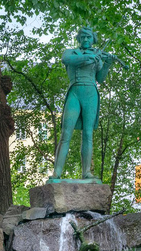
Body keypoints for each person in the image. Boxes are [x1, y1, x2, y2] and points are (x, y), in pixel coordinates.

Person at [51, 26, 127, 180]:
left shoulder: (96, 56)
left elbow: (100, 79)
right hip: (74, 91)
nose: (86, 40)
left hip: (91, 93)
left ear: (93, 39)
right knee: (66, 134)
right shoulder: (71, 52)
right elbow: (66, 60)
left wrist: (106, 64)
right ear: (78, 39)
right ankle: (56, 173)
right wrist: (88, 58)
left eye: (89, 37)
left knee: (88, 134)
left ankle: (86, 172)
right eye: (83, 37)